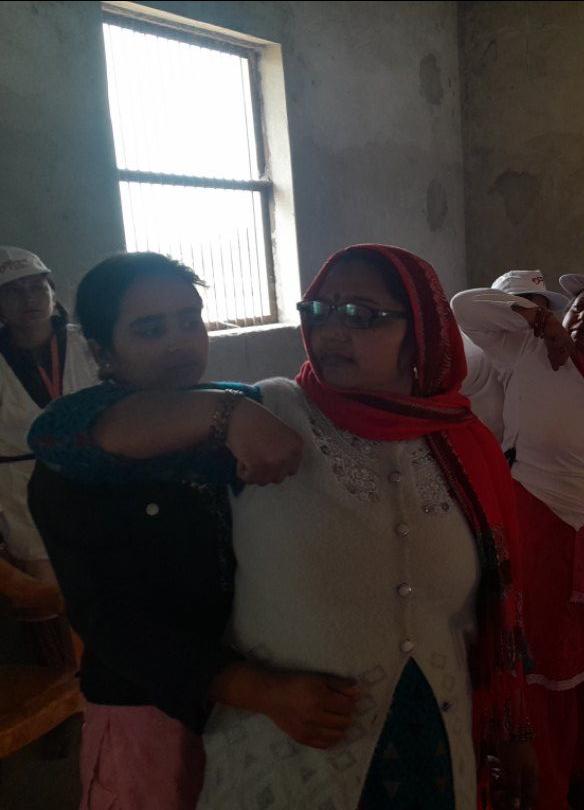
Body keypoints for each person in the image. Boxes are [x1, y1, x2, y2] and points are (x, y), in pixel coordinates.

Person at [34, 246, 538, 809]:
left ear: (421, 331)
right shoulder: (263, 416)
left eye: (362, 314)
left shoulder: (464, 445)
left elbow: (497, 602)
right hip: (222, 734)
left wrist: (514, 726)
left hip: (437, 728)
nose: (333, 329)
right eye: (319, 309)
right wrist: (229, 412)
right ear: (100, 348)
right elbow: (59, 439)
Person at [28, 252, 307, 810]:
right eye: (150, 329)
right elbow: (111, 623)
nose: (179, 342)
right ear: (101, 351)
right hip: (148, 713)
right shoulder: (74, 456)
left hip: (256, 701)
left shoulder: (224, 426)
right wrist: (249, 687)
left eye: (189, 319)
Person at [452, 262, 584, 809]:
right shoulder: (530, 352)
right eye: (578, 306)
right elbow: (464, 307)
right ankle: (542, 781)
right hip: (537, 514)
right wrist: (535, 319)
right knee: (542, 655)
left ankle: (578, 761)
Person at [0, 247, 99, 666]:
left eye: (37, 287)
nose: (29, 299)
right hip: (20, 486)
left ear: (53, 292)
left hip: (93, 476)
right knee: (50, 596)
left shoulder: (89, 345)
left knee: (107, 575)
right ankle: (69, 680)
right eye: (13, 291)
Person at [462, 270, 567, 445]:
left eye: (545, 312)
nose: (540, 323)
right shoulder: (470, 352)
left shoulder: (540, 352)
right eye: (532, 312)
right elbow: (462, 304)